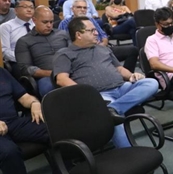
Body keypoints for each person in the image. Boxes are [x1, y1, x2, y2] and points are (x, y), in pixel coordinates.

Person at [54, 16, 159, 148]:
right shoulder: (65, 53)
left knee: (151, 83)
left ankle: (113, 109)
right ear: (78, 35)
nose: (96, 33)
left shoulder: (103, 48)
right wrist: (87, 94)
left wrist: (132, 75)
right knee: (115, 121)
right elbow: (61, 79)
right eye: (91, 30)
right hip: (99, 96)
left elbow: (119, 68)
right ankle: (128, 153)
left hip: (122, 88)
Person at [0, 68, 91, 174]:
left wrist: (35, 103)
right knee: (9, 152)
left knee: (56, 132)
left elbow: (23, 97)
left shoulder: (2, 73)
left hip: (13, 122)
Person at [59, 0, 138, 72]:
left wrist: (103, 44)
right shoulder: (65, 23)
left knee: (132, 50)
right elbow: (63, 43)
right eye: (79, 7)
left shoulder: (91, 20)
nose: (82, 10)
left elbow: (103, 35)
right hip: (82, 53)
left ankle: (127, 77)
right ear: (72, 9)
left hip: (101, 49)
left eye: (85, 8)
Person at [15, 7, 69, 97]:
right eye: (45, 22)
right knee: (49, 90)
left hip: (70, 71)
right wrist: (52, 73)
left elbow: (75, 52)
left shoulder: (63, 34)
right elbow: (25, 68)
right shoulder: (24, 41)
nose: (49, 25)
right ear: (34, 20)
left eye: (51, 22)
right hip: (46, 77)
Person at [1, 0, 35, 71]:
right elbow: (5, 51)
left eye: (31, 7)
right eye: (25, 7)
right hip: (18, 62)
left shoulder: (37, 24)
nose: (29, 10)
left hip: (39, 59)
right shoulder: (6, 27)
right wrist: (24, 58)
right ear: (16, 10)